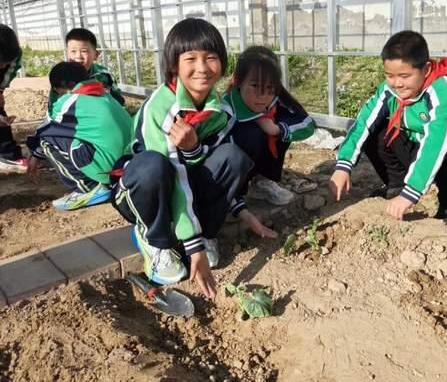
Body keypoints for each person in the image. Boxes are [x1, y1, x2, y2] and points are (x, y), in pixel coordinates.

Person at [110, 18, 252, 299]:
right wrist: (193, 248)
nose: (202, 68)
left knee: (233, 157)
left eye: (210, 58)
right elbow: (173, 172)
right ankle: (155, 238)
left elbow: (208, 162)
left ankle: (206, 233)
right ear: (174, 64)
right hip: (142, 190)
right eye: (191, 59)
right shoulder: (161, 108)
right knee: (153, 166)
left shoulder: (219, 111)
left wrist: (192, 149)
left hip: (183, 184)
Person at [329, 30, 447, 221]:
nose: (397, 83)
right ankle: (396, 186)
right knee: (377, 133)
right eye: (389, 75)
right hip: (416, 143)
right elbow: (364, 123)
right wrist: (343, 165)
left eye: (405, 76)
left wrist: (411, 193)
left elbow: (435, 145)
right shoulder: (388, 90)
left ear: (426, 69)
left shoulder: (443, 93)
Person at [220, 45, 315, 235]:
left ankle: (262, 182)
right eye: (255, 86)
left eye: (270, 88)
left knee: (281, 127)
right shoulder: (225, 110)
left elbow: (307, 124)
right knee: (251, 134)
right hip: (227, 174)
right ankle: (234, 196)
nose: (262, 96)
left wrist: (277, 129)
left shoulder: (274, 101)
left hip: (253, 161)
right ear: (238, 80)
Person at [26, 62, 132, 210]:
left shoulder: (71, 101)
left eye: (56, 91)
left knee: (45, 141)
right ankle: (102, 182)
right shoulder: (105, 94)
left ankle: (88, 188)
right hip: (129, 166)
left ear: (62, 87)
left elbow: (46, 129)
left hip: (109, 170)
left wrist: (35, 154)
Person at [48, 27, 125, 109]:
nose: (78, 56)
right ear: (67, 54)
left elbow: (119, 101)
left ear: (96, 55)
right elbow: (53, 107)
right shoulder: (61, 76)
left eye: (84, 51)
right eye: (73, 51)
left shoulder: (104, 75)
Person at [0, 24, 27, 173]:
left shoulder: (13, 52)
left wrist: (0, 89)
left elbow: (11, 70)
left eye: (6, 62)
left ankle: (7, 154)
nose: (2, 65)